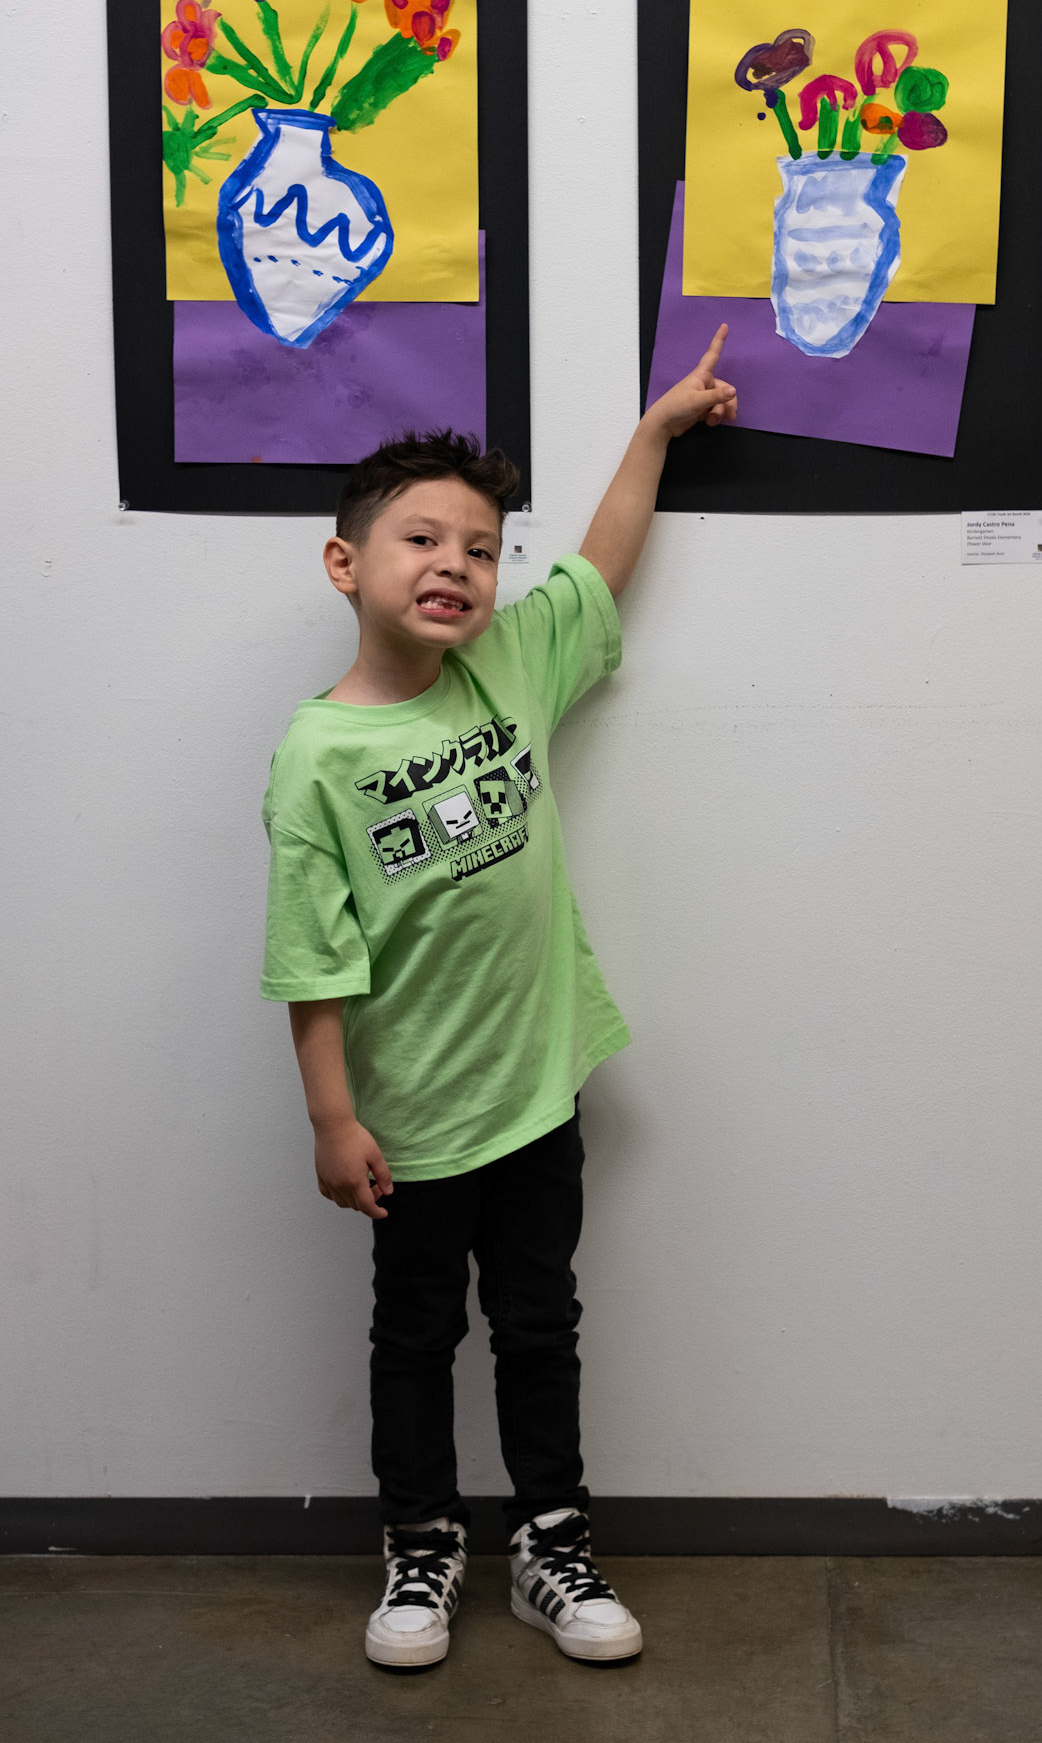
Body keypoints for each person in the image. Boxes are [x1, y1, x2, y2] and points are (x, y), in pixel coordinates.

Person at [260, 327, 734, 1671]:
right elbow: (309, 958)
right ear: (346, 564)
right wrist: (332, 1119)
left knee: (539, 1325)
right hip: (408, 1123)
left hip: (536, 1091)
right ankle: (421, 1546)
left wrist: (651, 436)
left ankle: (550, 1541)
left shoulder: (510, 667)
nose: (457, 565)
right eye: (422, 540)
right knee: (414, 1335)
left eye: (481, 548)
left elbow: (598, 568)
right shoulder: (318, 754)